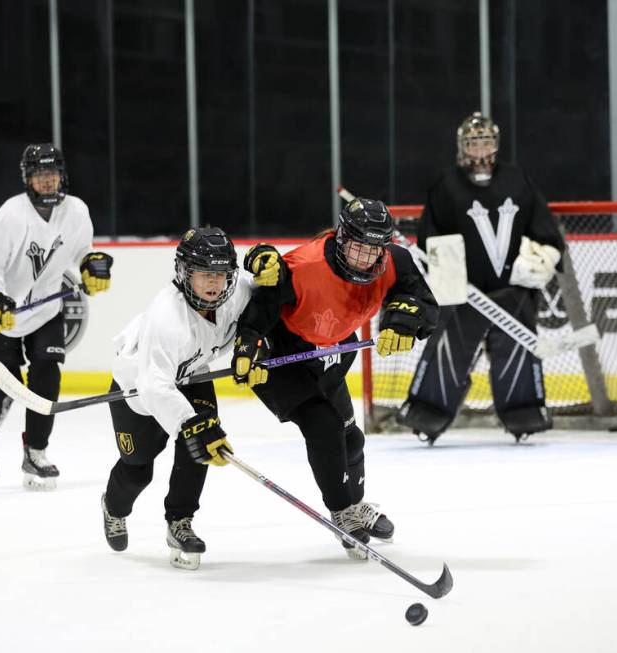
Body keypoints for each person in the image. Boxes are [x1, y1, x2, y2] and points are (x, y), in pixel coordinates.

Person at [235, 197, 438, 559]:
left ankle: (354, 504)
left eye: (373, 250)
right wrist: (249, 347)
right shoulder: (303, 265)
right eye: (358, 248)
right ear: (342, 238)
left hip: (331, 351)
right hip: (283, 357)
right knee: (325, 427)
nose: (365, 259)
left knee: (350, 435)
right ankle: (342, 512)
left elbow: (420, 298)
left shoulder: (394, 261)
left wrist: (402, 321)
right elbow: (260, 309)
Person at [99, 227, 270, 571]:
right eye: (205, 274)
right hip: (139, 392)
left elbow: (271, 292)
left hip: (192, 376)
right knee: (137, 472)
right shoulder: (166, 319)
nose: (215, 283)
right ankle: (113, 508)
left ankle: (180, 521)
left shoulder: (234, 293)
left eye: (222, 274)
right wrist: (189, 423)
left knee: (199, 449)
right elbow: (154, 386)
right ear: (184, 273)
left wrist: (269, 258)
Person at [396, 112, 566, 445]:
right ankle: (427, 413)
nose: (479, 150)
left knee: (517, 351)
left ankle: (524, 413)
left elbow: (545, 231)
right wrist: (445, 276)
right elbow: (430, 237)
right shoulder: (446, 184)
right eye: (473, 143)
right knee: (447, 348)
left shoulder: (518, 179)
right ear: (462, 147)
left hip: (512, 290)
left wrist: (542, 259)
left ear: (496, 144)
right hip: (465, 293)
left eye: (486, 141)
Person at [0, 143, 113, 490]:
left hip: (47, 309)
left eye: (52, 173)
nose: (46, 180)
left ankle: (35, 451)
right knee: (6, 384)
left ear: (62, 175)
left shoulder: (76, 210)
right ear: (27, 178)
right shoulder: (11, 214)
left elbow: (81, 253)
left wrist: (90, 267)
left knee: (47, 377)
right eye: (39, 174)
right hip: (3, 311)